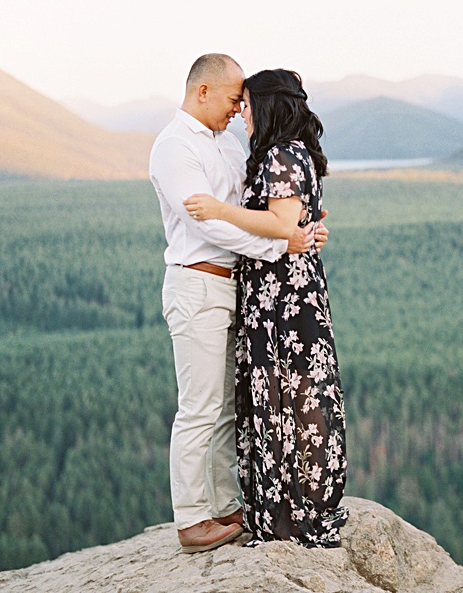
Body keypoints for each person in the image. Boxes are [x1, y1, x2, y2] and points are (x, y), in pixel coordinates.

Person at [148, 54, 322, 553]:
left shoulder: (226, 143)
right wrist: (280, 244)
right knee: (198, 408)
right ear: (203, 91)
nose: (236, 110)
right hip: (197, 284)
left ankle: (227, 505)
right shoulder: (174, 147)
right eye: (231, 100)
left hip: (237, 285)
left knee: (228, 407)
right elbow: (208, 222)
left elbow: (254, 211)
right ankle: (190, 518)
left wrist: (299, 227)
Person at [183, 68, 348, 547]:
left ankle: (290, 515)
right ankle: (297, 507)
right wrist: (306, 231)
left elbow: (279, 222)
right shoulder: (295, 152)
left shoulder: (279, 154)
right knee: (295, 398)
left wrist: (218, 209)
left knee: (285, 398)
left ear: (270, 106)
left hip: (281, 299)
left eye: (249, 105)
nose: (242, 114)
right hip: (288, 292)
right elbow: (302, 222)